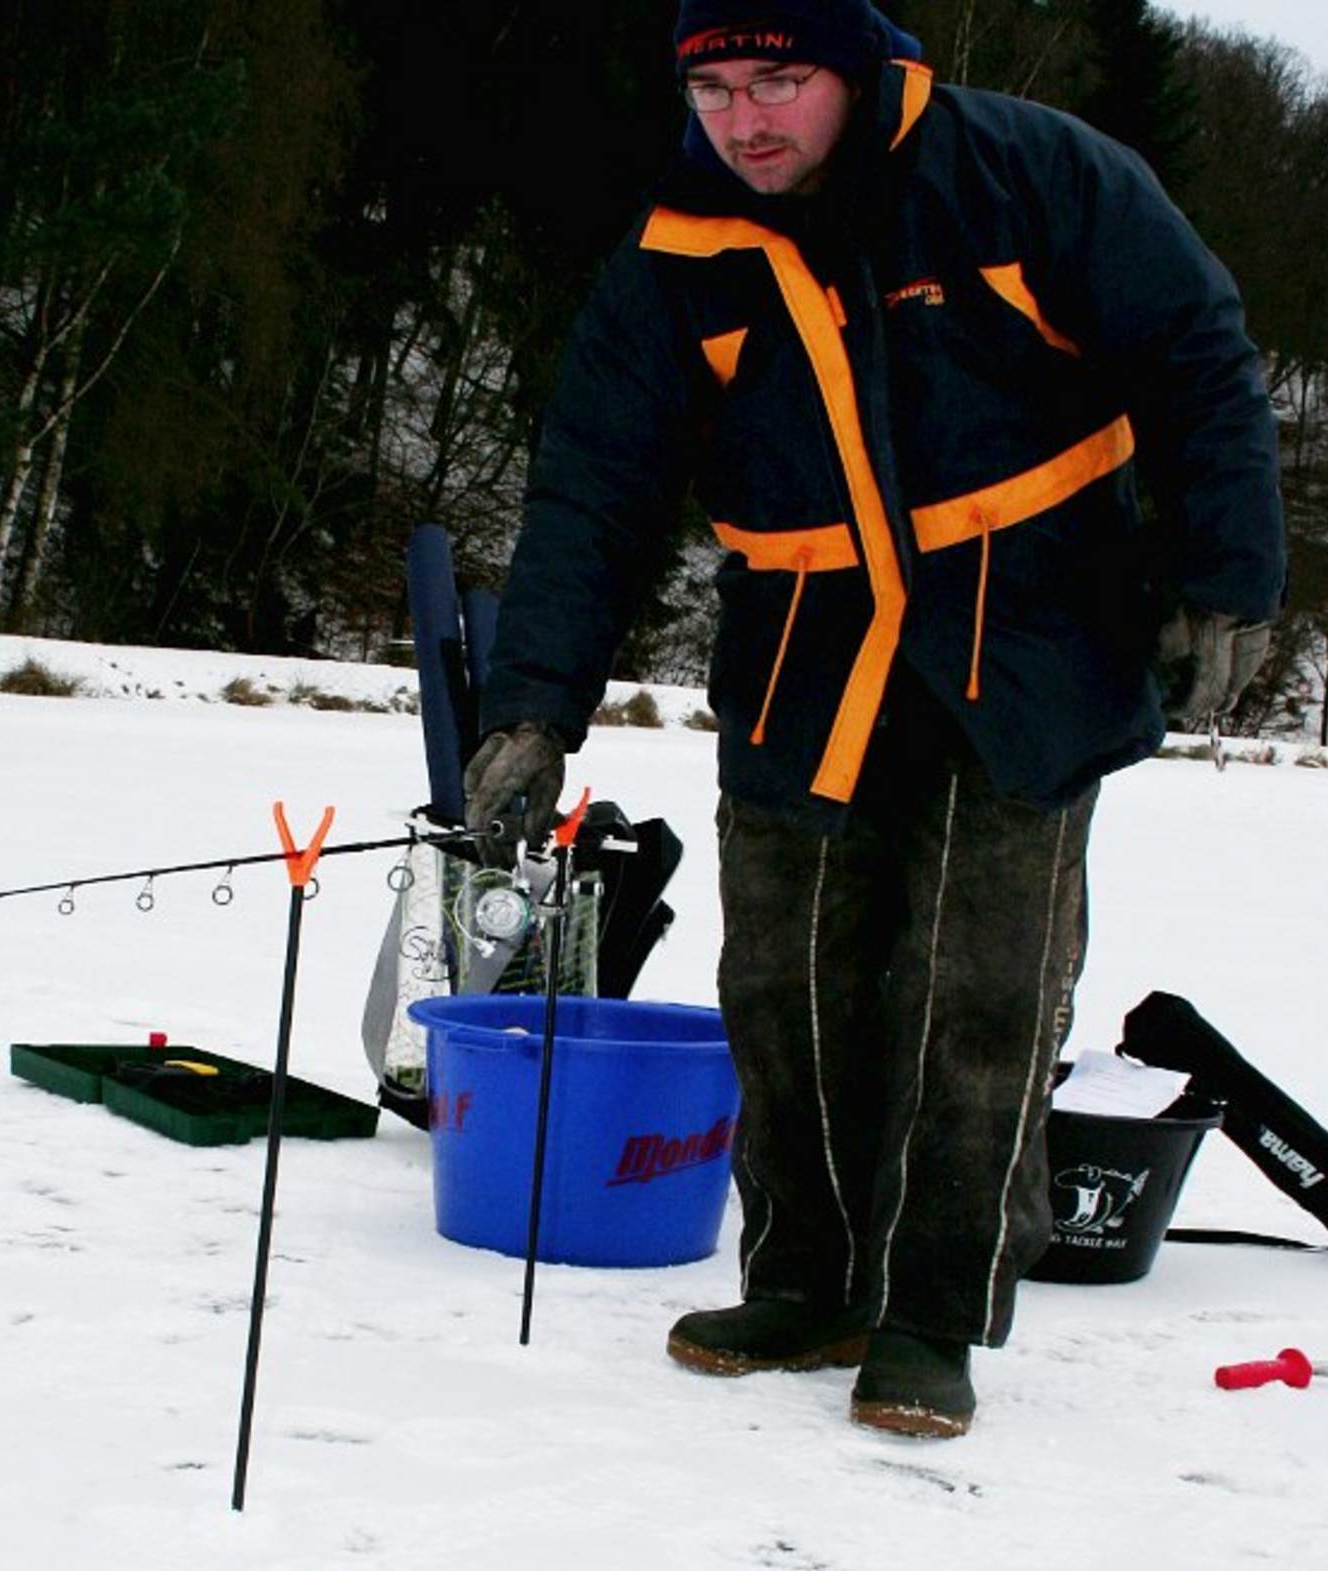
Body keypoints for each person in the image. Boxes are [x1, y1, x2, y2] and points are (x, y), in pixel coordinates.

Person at [463, 0, 1284, 1436]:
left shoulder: (1028, 174)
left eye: (780, 78)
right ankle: (810, 1282)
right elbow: (593, 487)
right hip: (803, 651)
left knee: (976, 996)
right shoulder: (676, 251)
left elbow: (1197, 358)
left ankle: (929, 1317)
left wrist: (1228, 581)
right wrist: (534, 706)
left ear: (855, 71)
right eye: (714, 86)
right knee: (785, 981)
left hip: (1023, 633)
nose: (745, 117)